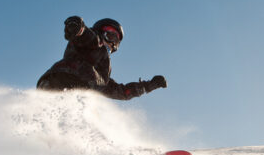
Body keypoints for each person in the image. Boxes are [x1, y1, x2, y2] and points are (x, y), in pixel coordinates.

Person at [37, 16, 167, 100]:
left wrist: (149, 86)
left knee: (65, 119)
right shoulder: (94, 43)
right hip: (64, 78)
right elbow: (87, 37)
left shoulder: (100, 76)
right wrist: (78, 28)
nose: (111, 41)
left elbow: (120, 92)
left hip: (77, 87)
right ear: (100, 32)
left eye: (116, 40)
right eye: (109, 35)